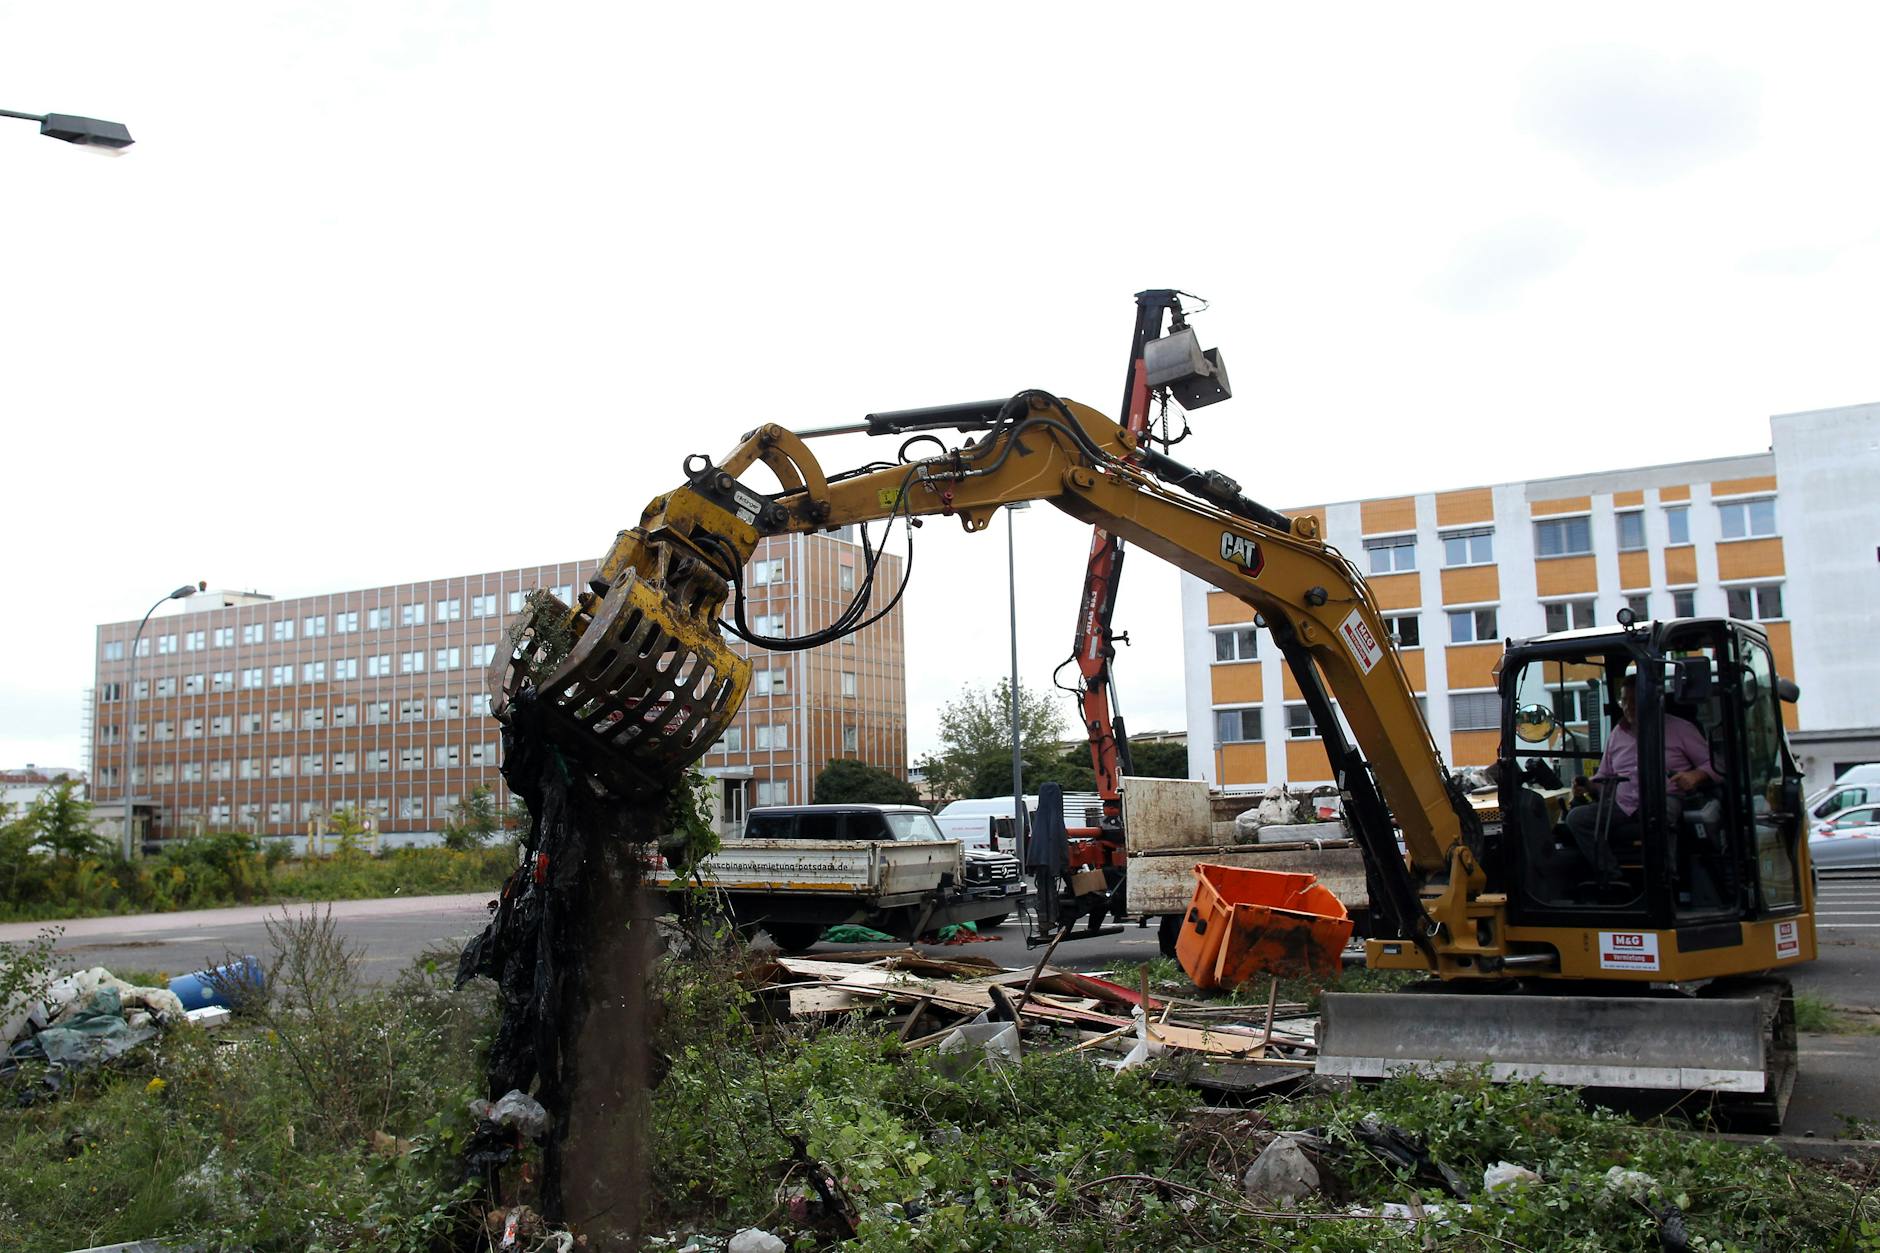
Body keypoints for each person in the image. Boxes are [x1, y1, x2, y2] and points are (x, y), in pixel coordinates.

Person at [1565, 673, 1719, 885]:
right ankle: (1612, 879)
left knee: (1658, 815)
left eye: (1635, 701)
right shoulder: (1617, 734)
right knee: (1576, 818)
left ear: (1653, 700)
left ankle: (1665, 882)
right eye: (1624, 701)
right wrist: (1588, 785)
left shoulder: (1681, 729)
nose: (1628, 707)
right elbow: (1605, 776)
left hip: (1664, 798)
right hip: (1623, 804)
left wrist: (1694, 775)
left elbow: (1716, 765)